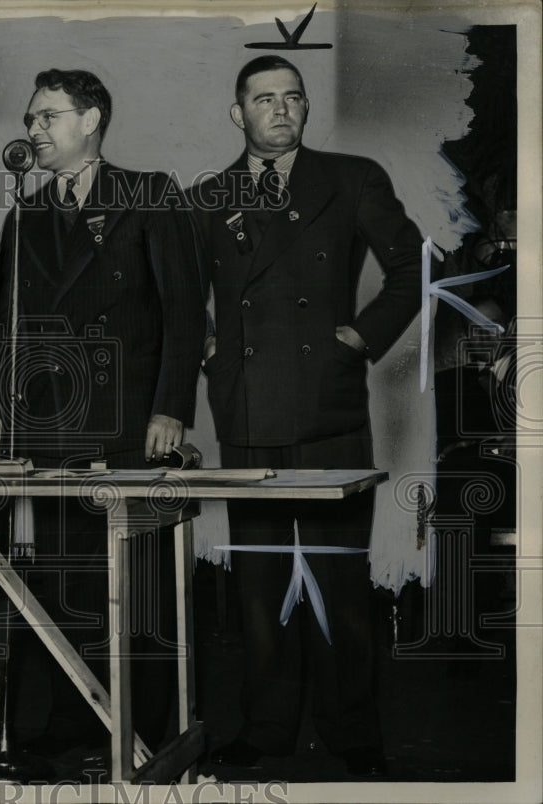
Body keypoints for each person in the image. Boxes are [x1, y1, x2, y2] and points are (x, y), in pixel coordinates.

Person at [189, 55, 423, 776]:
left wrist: (361, 336)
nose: (282, 110)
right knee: (258, 586)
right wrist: (207, 347)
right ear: (239, 113)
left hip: (328, 405)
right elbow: (180, 295)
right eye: (264, 99)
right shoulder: (206, 198)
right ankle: (266, 730)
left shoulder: (352, 177)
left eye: (293, 97)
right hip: (248, 408)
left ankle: (352, 731)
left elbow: (415, 265)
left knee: (339, 579)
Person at [0, 68, 205, 759]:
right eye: (30, 119)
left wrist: (171, 407)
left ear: (92, 119)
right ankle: (82, 728)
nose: (34, 130)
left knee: (138, 585)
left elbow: (185, 312)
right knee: (67, 579)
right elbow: (8, 327)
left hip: (132, 419)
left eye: (48, 117)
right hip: (50, 423)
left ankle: (147, 736)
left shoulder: (150, 194)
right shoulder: (26, 213)